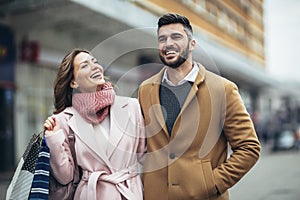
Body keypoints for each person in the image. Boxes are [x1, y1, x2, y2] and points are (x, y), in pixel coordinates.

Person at [138, 13, 261, 200]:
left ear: (192, 44)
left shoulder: (223, 89)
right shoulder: (145, 90)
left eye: (176, 37)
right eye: (162, 39)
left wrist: (212, 183)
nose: (168, 43)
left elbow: (248, 147)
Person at [43, 48, 146, 200]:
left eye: (95, 62)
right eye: (85, 65)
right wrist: (53, 138)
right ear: (73, 82)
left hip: (128, 193)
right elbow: (65, 177)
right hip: (90, 194)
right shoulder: (63, 120)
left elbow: (146, 156)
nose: (95, 67)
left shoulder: (131, 106)